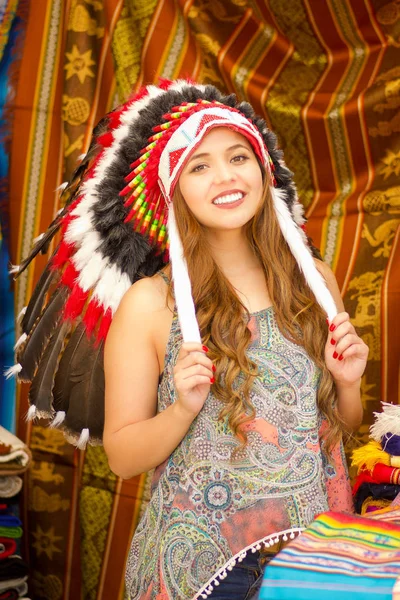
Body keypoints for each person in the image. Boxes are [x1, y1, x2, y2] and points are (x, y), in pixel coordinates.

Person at [101, 83, 368, 600]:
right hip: (201, 570)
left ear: (263, 170)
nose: (225, 176)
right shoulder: (151, 305)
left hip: (314, 562)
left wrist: (347, 385)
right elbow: (122, 457)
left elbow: (340, 429)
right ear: (174, 189)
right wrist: (182, 409)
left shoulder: (313, 281)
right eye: (198, 166)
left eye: (238, 157)